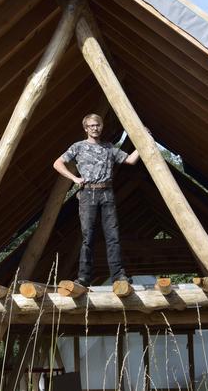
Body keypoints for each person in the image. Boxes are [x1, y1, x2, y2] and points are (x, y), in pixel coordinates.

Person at [53, 113, 141, 287]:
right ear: (86, 128)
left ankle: (118, 276)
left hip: (107, 193)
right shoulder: (78, 147)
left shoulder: (109, 148)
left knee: (113, 236)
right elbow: (57, 163)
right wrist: (74, 179)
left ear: (101, 127)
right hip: (88, 194)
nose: (95, 128)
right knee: (88, 237)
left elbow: (130, 160)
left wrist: (144, 141)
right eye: (91, 125)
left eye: (98, 125)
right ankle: (84, 278)